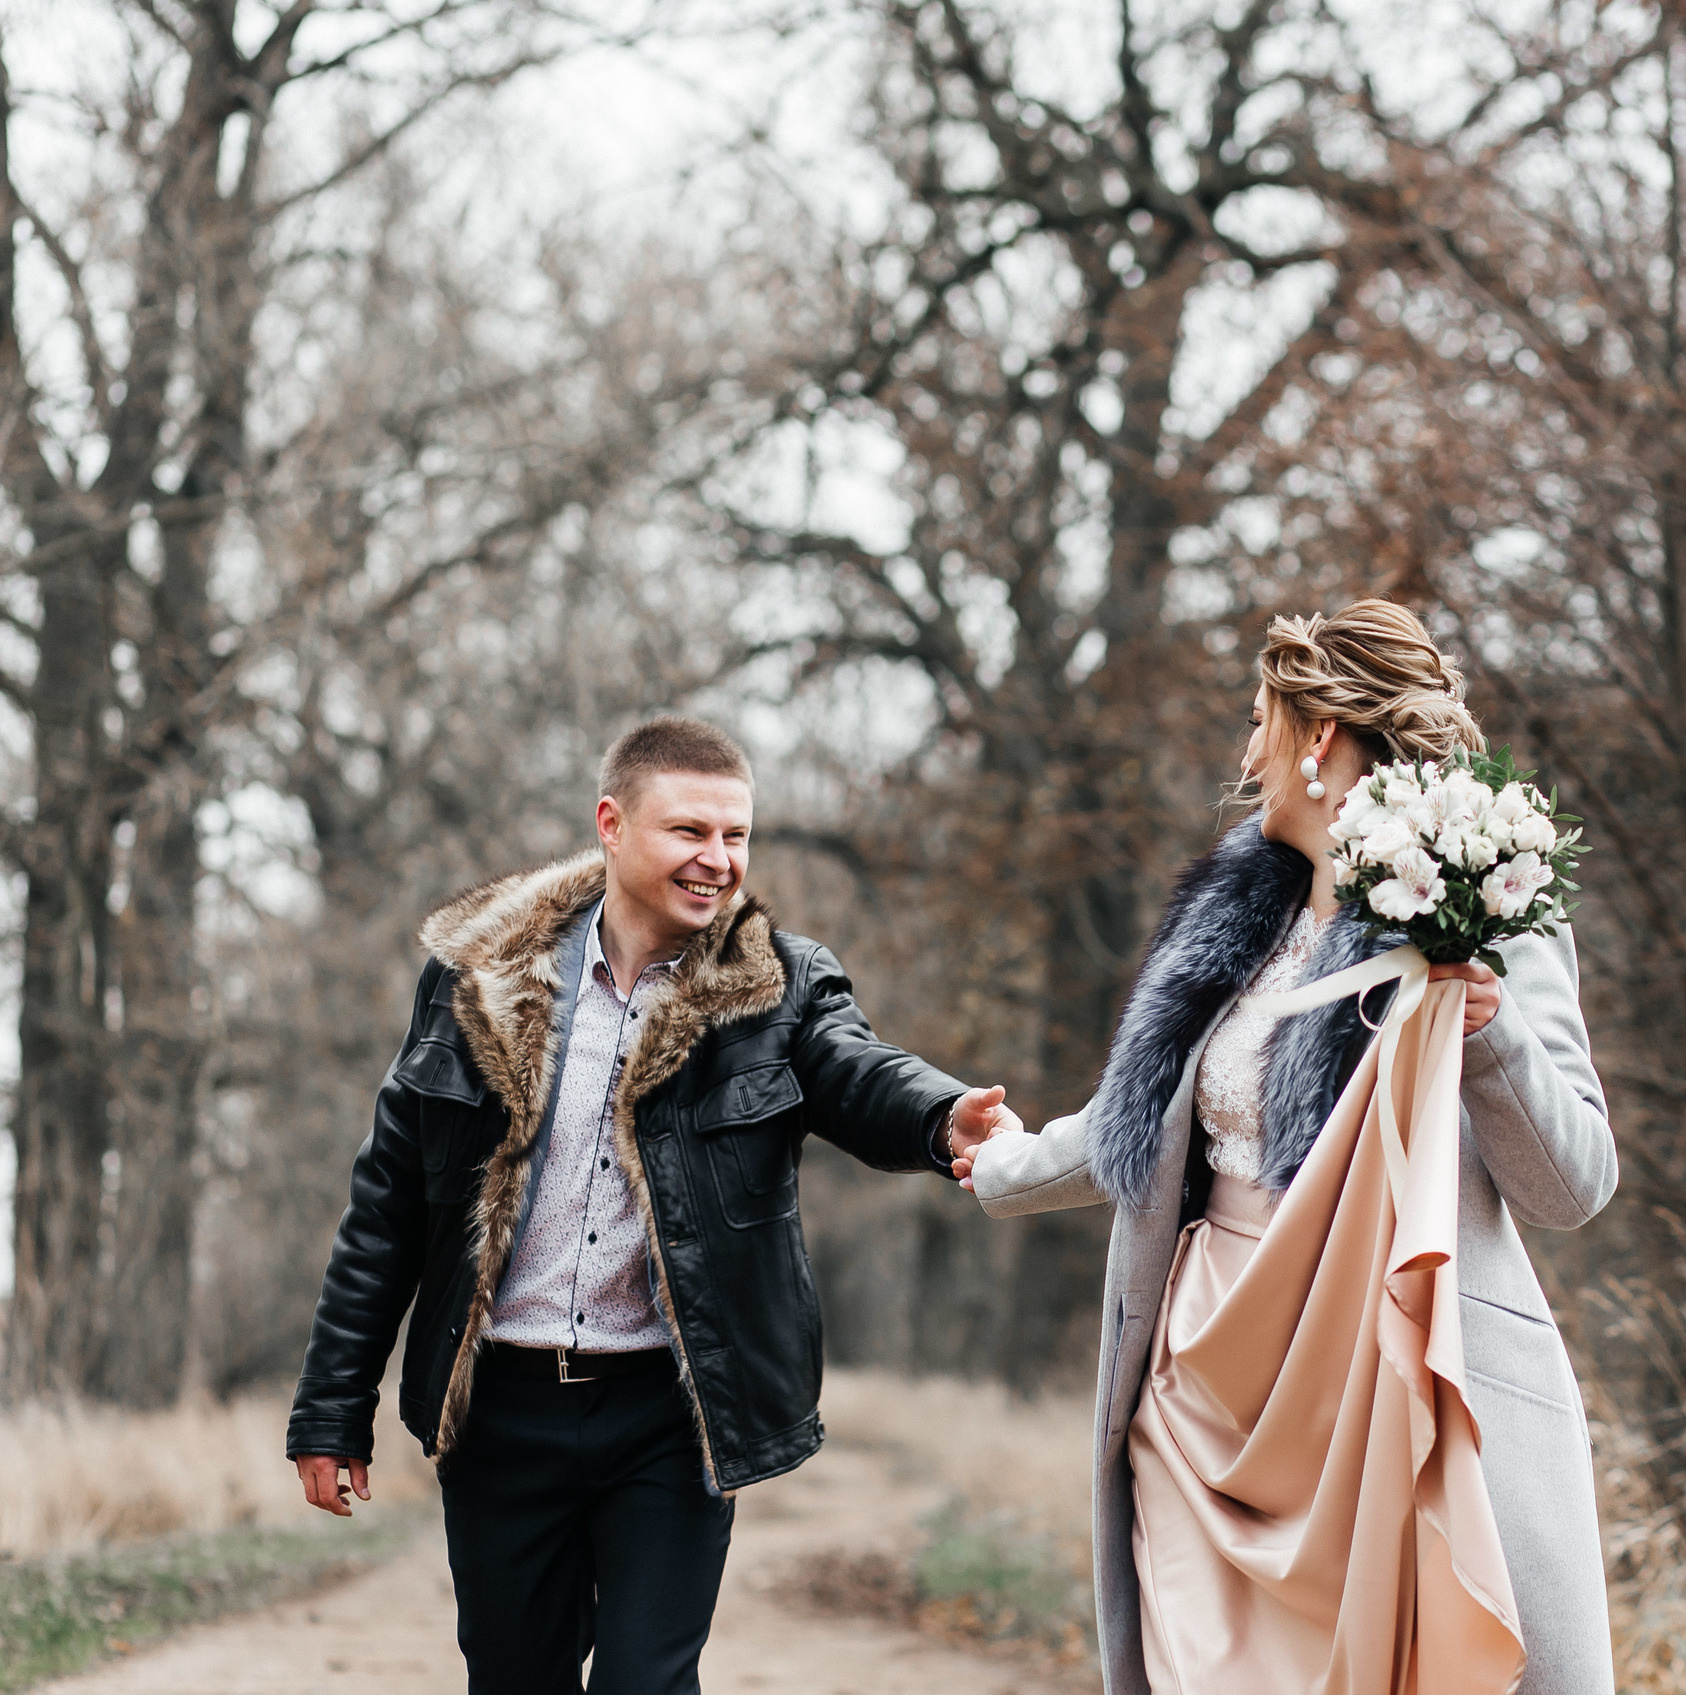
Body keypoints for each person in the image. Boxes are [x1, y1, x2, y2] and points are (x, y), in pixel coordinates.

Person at [959, 601, 1618, 1694]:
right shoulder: (1229, 914)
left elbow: (1574, 1184)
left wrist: (1490, 1033)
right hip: (1204, 1397)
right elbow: (1137, 1123)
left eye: (1258, 721)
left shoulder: (1488, 906)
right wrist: (999, 1162)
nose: (1245, 754)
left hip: (1388, 1388)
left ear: (1318, 735)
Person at [284, 716, 1019, 1695]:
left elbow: (857, 1070)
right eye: (689, 831)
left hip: (670, 1415)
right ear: (612, 824)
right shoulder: (478, 980)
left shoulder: (778, 985)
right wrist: (332, 1408)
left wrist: (940, 1115)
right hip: (501, 1414)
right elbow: (386, 1209)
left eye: (735, 835)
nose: (718, 859)